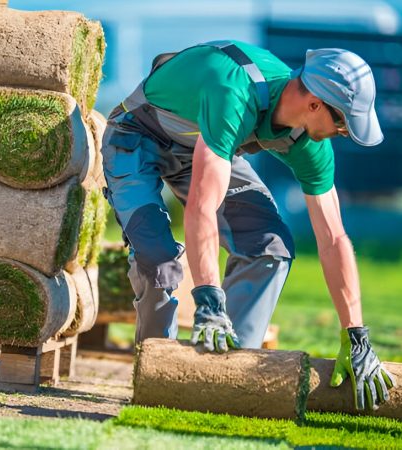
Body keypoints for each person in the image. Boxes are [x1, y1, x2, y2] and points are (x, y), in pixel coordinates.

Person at [100, 40, 396, 410]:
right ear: (315, 103)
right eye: (342, 122)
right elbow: (201, 209)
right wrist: (208, 298)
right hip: (135, 138)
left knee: (270, 247)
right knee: (159, 262)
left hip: (205, 149)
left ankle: (220, 379)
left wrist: (356, 335)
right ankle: (160, 380)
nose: (343, 133)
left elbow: (334, 237)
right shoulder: (234, 92)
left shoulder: (309, 143)